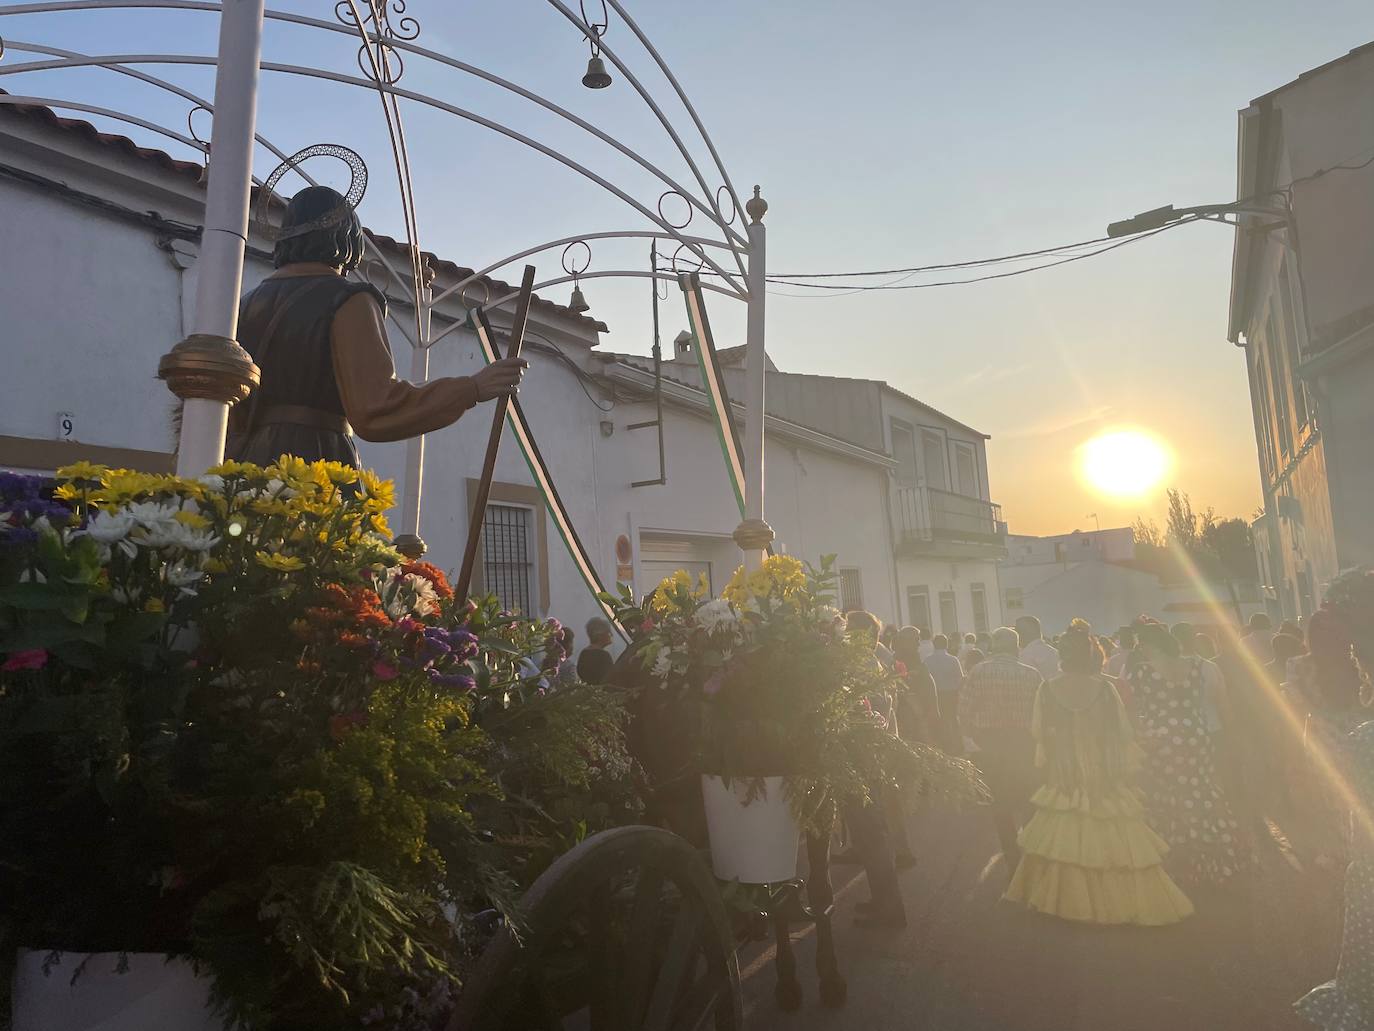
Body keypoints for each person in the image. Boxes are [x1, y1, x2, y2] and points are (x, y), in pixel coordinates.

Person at [226, 186, 528, 467]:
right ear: (346, 236)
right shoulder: (346, 299)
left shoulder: (246, 304)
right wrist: (472, 388)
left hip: (243, 468)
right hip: (316, 462)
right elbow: (377, 407)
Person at [1005, 620, 1194, 926]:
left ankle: (1067, 902)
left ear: (1062, 656)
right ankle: (1119, 903)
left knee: (1063, 837)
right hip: (1103, 773)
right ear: (1091, 656)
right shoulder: (1105, 689)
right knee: (1115, 835)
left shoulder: (1047, 689)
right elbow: (1122, 732)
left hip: (1064, 773)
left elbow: (1038, 732)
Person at [1130, 622, 1250, 888]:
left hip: (1161, 739)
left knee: (1169, 794)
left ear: (1149, 646)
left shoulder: (1142, 671)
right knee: (1201, 788)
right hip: (1196, 733)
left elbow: (1138, 707)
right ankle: (1215, 852)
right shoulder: (1196, 666)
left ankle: (1180, 858)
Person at [958, 627, 1042, 865]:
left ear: (994, 647)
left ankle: (1011, 854)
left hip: (990, 743)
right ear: (1016, 647)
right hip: (1024, 743)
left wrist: (972, 735)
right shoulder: (1032, 674)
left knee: (999, 802)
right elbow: (1042, 713)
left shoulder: (978, 672)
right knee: (1027, 797)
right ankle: (1030, 850)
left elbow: (964, 710)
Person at [925, 634, 966, 755]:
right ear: (947, 645)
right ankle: (958, 745)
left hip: (935, 694)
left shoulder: (927, 660)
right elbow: (960, 678)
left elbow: (925, 679)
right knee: (952, 718)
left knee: (939, 718)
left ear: (934, 644)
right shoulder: (953, 660)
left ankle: (942, 744)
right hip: (951, 693)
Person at [1016, 615, 1060, 681]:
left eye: (1018, 630)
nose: (1016, 635)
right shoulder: (1055, 652)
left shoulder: (1025, 655)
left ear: (1028, 632)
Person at [576, 617, 616, 684]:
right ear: (599, 635)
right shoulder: (604, 656)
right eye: (608, 632)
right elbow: (611, 678)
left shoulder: (584, 653)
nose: (611, 635)